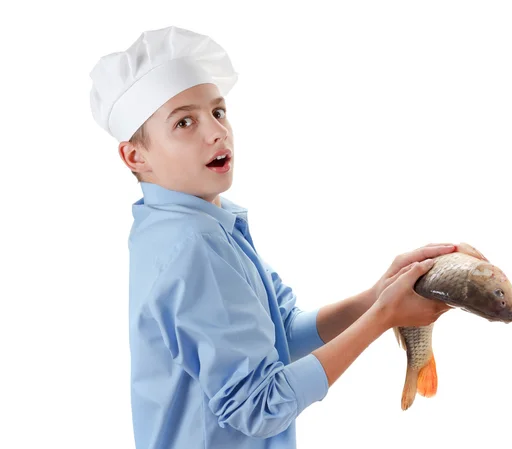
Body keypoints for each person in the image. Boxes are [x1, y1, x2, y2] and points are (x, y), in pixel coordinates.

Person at [89, 25, 465, 449]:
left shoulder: (202, 223)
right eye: (184, 122)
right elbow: (260, 406)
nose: (216, 132)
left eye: (218, 111)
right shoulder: (190, 247)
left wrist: (377, 295)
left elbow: (280, 333)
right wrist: (382, 317)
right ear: (135, 156)